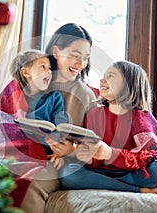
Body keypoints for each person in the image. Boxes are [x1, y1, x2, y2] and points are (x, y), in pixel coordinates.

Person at [58, 60, 157, 195]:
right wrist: (86, 157)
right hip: (103, 173)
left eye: (110, 76)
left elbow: (147, 158)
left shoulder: (140, 117)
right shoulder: (94, 114)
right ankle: (143, 190)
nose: (102, 80)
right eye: (104, 76)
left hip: (135, 173)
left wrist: (110, 153)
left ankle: (124, 186)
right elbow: (93, 158)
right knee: (67, 173)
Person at [0, 49, 68, 211]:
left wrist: (60, 149)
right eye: (42, 66)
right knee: (1, 166)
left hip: (43, 148)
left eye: (50, 69)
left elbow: (61, 127)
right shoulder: (11, 93)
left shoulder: (54, 97)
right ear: (25, 72)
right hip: (14, 148)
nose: (48, 71)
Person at [19, 23, 99, 212]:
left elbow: (95, 144)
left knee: (31, 182)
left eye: (85, 58)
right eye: (75, 56)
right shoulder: (34, 80)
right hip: (23, 153)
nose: (81, 64)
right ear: (56, 51)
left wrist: (70, 151)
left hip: (56, 162)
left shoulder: (86, 95)